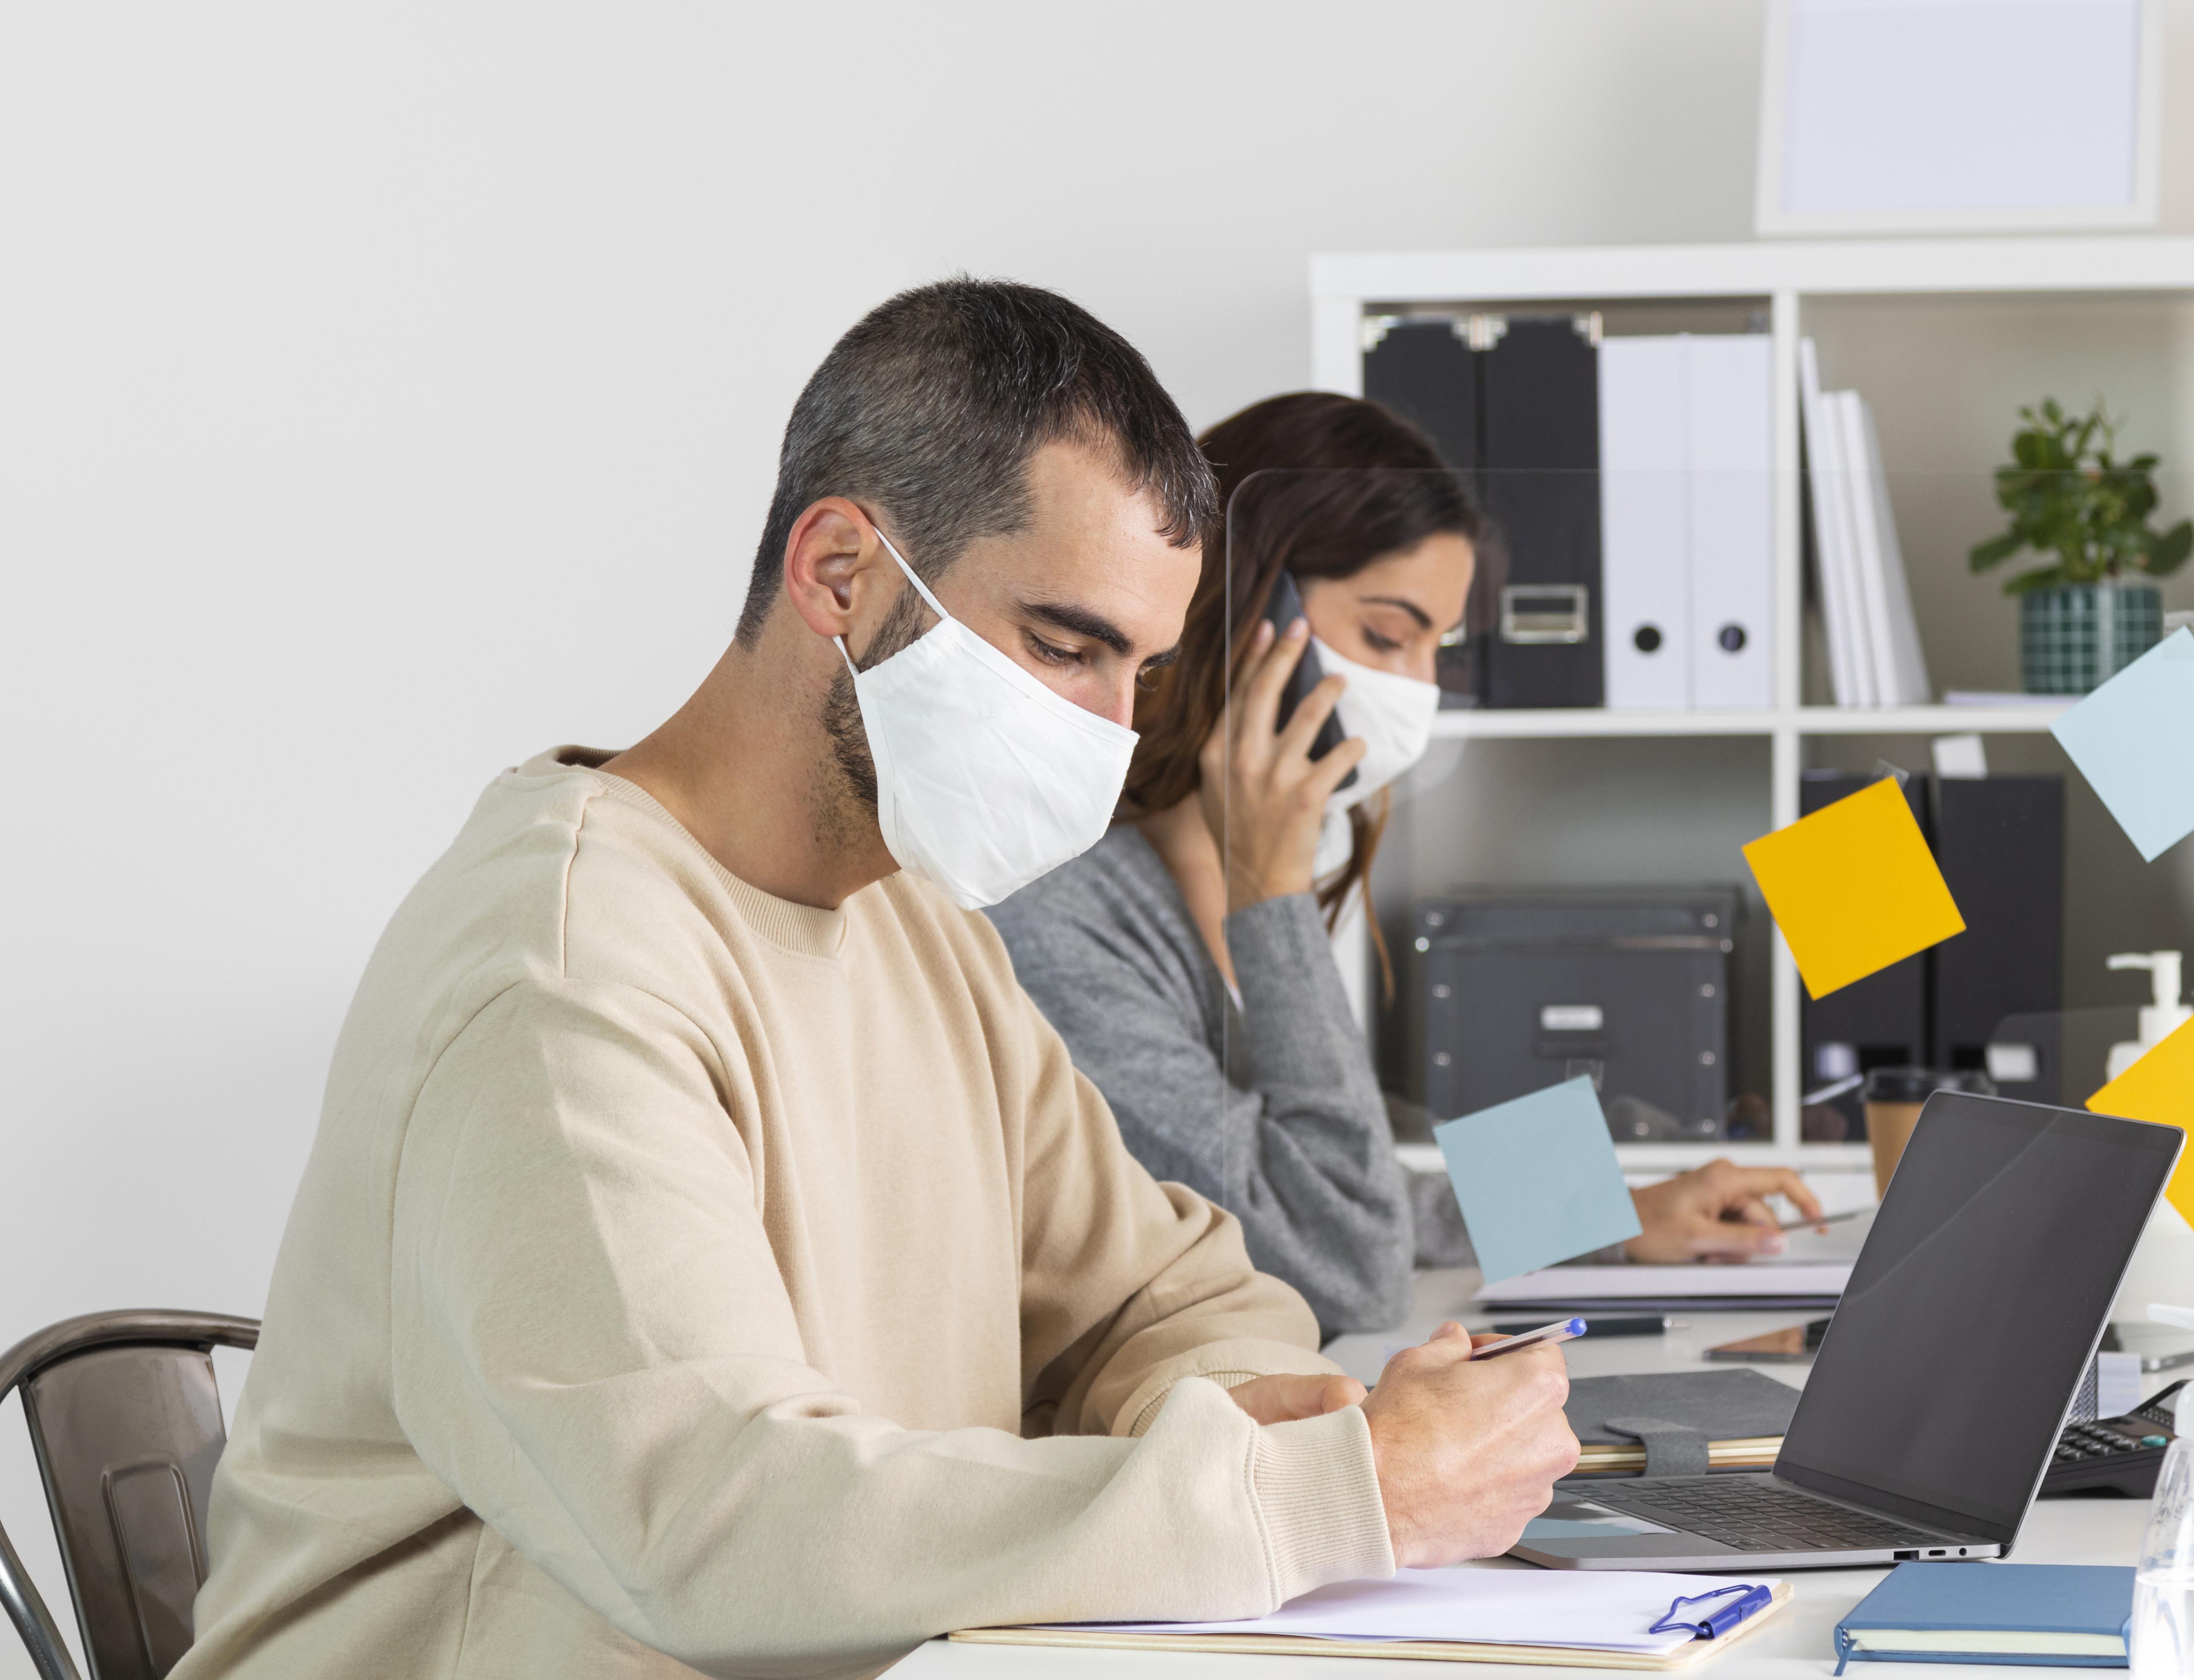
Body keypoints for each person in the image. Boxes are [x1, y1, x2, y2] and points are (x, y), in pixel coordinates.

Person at [174, 284, 1579, 1680]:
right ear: (839, 572)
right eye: (1064, 646)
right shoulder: (575, 967)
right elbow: (711, 1517)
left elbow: (1206, 1278)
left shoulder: (931, 916)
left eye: (1142, 669)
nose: (1105, 732)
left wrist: (1614, 1187)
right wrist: (1311, 1488)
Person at [988, 393, 1825, 1336]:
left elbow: (1354, 1187)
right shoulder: (1062, 917)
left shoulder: (1209, 879)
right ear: (1243, 598)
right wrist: (1274, 898)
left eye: (1439, 648)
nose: (1419, 689)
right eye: (1389, 634)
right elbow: (1349, 1263)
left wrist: (1613, 1215)